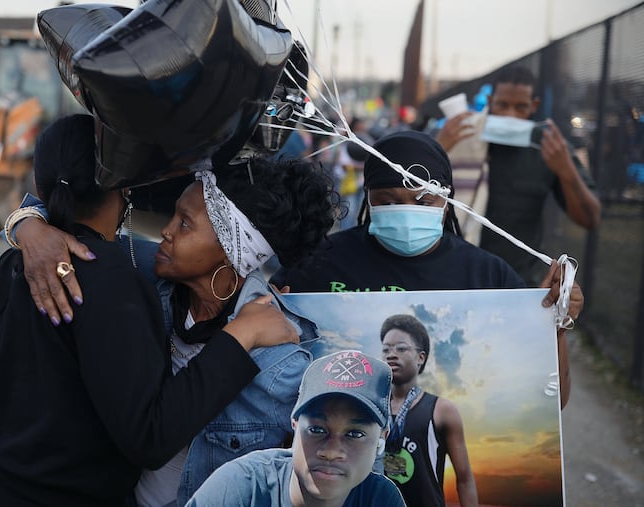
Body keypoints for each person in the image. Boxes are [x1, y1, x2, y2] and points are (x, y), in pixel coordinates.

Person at [0, 115, 298, 507]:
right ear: (124, 186)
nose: (167, 231)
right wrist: (241, 335)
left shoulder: (14, 265)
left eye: (184, 222)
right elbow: (150, 437)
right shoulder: (113, 282)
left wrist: (26, 222)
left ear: (38, 184)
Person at [6, 156, 341, 505]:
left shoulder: (280, 362)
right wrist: (28, 227)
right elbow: (70, 228)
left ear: (232, 251)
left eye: (184, 224)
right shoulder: (147, 275)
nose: (165, 230)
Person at [271, 130, 582, 408]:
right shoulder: (317, 263)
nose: (406, 212)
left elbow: (551, 401)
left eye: (424, 201)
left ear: (447, 202)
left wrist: (554, 326)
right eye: (388, 202)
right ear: (367, 198)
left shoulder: (488, 277)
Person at [435, 65, 601, 285]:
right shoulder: (465, 137)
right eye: (502, 105)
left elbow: (590, 218)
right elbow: (412, 186)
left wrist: (566, 170)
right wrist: (438, 147)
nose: (509, 115)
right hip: (458, 274)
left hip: (519, 281)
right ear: (490, 100)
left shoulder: (548, 146)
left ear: (534, 106)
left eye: (520, 107)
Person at [185, 349, 408, 507]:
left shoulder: (379, 498)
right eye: (317, 429)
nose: (331, 452)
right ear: (294, 425)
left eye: (354, 434)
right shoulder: (240, 488)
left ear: (381, 439)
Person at [379, 314, 477, 507]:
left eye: (401, 348)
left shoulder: (441, 410)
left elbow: (465, 479)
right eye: (385, 349)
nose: (391, 354)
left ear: (420, 357)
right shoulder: (371, 408)